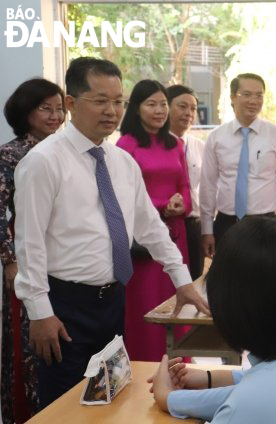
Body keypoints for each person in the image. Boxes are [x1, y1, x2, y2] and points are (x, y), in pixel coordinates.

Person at [12, 57, 209, 409]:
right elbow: (29, 244)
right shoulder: (43, 162)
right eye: (100, 101)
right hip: (63, 307)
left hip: (114, 301)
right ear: (71, 104)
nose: (112, 110)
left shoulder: (120, 162)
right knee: (64, 405)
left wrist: (182, 280)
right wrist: (40, 312)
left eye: (118, 101)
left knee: (108, 396)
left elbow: (151, 227)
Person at [149, 217, 276, 423]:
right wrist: (173, 397)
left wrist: (168, 396)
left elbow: (249, 399)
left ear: (237, 308)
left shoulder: (255, 400)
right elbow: (251, 391)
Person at [0, 78, 64, 423]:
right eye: (45, 108)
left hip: (61, 258)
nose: (55, 116)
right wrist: (10, 263)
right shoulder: (9, 154)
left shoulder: (67, 149)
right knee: (27, 342)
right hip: (24, 258)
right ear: (26, 112)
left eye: (59, 108)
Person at [116, 80, 192, 361]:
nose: (159, 110)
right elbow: (123, 196)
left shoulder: (175, 144)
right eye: (151, 104)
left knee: (177, 297)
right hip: (142, 241)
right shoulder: (126, 145)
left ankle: (178, 362)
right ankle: (145, 360)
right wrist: (162, 206)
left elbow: (185, 186)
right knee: (146, 303)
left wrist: (181, 203)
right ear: (136, 109)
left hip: (175, 233)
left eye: (163, 104)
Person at [199, 73, 276, 257]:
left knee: (265, 278)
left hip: (265, 223)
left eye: (259, 95)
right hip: (226, 222)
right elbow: (208, 186)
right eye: (247, 94)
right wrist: (207, 229)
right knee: (228, 279)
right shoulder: (217, 137)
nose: (254, 100)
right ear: (233, 97)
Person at [166, 85, 206, 280]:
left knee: (194, 278)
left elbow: (207, 189)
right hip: (166, 223)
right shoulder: (153, 145)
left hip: (193, 225)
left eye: (193, 108)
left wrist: (207, 229)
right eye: (182, 106)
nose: (189, 113)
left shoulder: (200, 146)